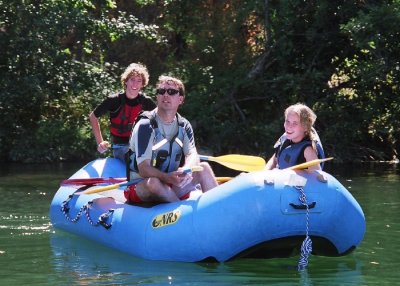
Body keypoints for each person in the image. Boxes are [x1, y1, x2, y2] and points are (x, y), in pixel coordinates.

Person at [124, 75, 218, 203]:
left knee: (204, 168)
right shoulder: (146, 125)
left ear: (180, 99)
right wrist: (167, 178)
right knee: (154, 182)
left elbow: (192, 154)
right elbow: (144, 169)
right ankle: (181, 215)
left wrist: (186, 169)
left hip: (169, 184)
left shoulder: (184, 125)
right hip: (141, 185)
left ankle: (218, 209)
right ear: (157, 96)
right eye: (161, 91)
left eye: (172, 92)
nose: (165, 95)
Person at [89, 63, 156, 161]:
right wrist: (100, 142)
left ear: (142, 84)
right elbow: (93, 116)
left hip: (140, 146)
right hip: (119, 146)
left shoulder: (146, 102)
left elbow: (161, 120)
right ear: (126, 82)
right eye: (132, 79)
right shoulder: (113, 100)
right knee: (128, 155)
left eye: (139, 81)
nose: (135, 84)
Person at [265, 103, 325, 171]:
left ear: (305, 127)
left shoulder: (308, 150)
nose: (289, 126)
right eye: (287, 121)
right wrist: (264, 173)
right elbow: (274, 160)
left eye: (295, 123)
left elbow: (317, 177)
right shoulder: (285, 138)